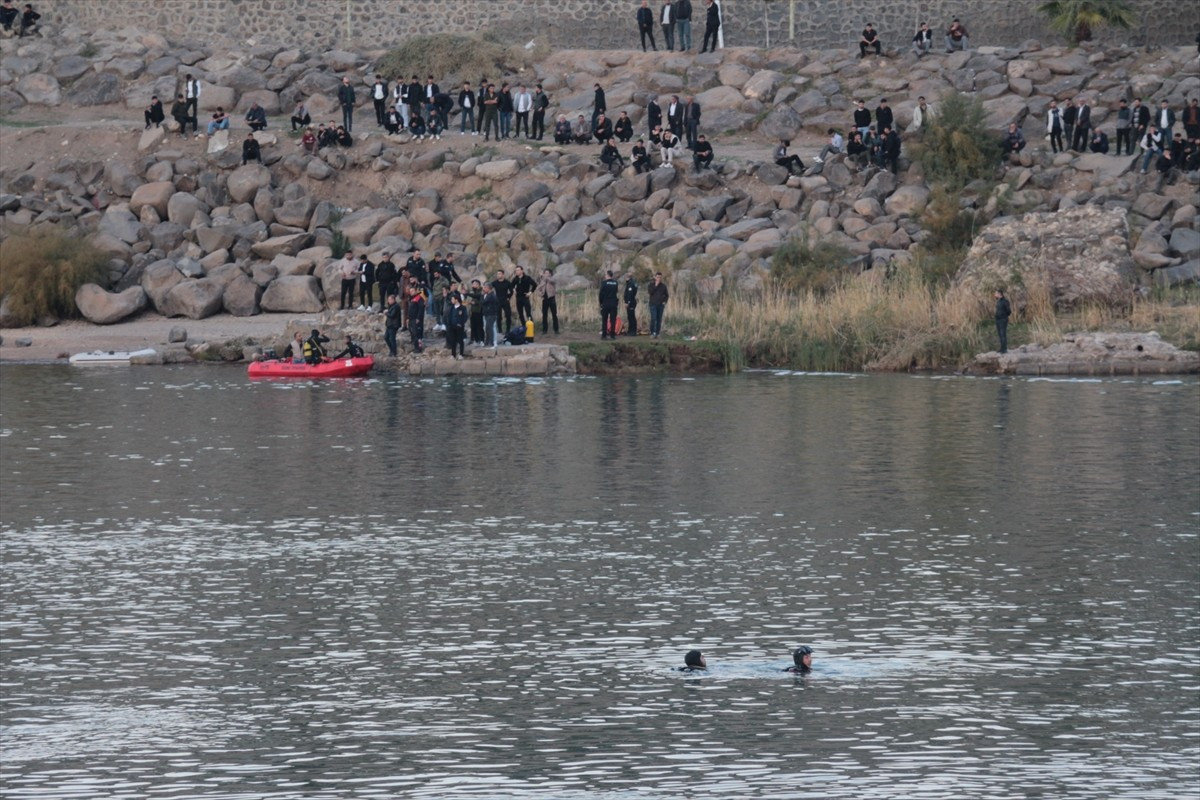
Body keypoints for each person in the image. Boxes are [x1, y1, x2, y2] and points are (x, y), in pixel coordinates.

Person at [445, 294, 468, 359]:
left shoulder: (463, 308)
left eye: (452, 299)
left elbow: (465, 317)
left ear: (456, 299)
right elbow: (449, 316)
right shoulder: (451, 308)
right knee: (453, 341)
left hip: (459, 327)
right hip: (452, 327)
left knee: (460, 340)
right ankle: (453, 354)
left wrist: (461, 323)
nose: (451, 300)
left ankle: (461, 354)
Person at [537, 269, 559, 335]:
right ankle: (544, 330)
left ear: (550, 274)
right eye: (545, 273)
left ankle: (556, 330)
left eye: (547, 273)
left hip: (551, 298)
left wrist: (543, 276)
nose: (545, 274)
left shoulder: (552, 279)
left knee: (554, 314)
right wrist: (541, 293)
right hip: (545, 299)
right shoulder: (542, 280)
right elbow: (539, 287)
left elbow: (552, 281)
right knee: (544, 315)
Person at [599, 270, 619, 339]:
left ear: (607, 275)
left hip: (605, 303)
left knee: (604, 320)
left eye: (605, 275)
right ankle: (612, 335)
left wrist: (601, 303)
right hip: (613, 303)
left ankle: (604, 335)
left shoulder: (604, 283)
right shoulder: (615, 283)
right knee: (613, 320)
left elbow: (601, 294)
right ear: (612, 275)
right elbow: (616, 292)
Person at [648, 271, 668, 337]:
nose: (658, 279)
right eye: (657, 277)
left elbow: (666, 295)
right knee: (653, 318)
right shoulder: (651, 285)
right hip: (653, 304)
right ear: (655, 277)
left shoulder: (663, 286)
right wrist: (656, 285)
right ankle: (652, 332)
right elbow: (650, 292)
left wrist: (664, 301)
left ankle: (657, 332)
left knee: (659, 319)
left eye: (660, 277)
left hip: (660, 305)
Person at [407, 281, 426, 353]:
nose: (411, 292)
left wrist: (418, 318)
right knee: (413, 333)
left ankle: (419, 348)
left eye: (412, 291)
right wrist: (408, 318)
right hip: (411, 319)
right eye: (410, 291)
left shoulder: (419, 298)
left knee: (417, 334)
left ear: (415, 291)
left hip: (416, 319)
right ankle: (415, 347)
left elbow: (421, 309)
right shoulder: (411, 298)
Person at [466, 280, 485, 345]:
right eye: (473, 284)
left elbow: (478, 297)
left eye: (475, 284)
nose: (473, 285)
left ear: (478, 285)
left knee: (479, 326)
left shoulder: (482, 291)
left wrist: (475, 302)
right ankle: (474, 339)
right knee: (473, 326)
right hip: (473, 311)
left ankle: (481, 340)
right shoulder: (472, 291)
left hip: (479, 311)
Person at [481, 282, 499, 346]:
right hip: (487, 314)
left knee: (490, 328)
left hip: (491, 314)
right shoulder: (488, 295)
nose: (484, 289)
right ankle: (487, 342)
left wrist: (482, 295)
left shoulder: (491, 295)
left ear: (489, 288)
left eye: (485, 287)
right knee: (487, 328)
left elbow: (483, 302)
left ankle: (491, 342)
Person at [994, 289, 1011, 354]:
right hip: (998, 320)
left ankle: (1004, 349)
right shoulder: (998, 301)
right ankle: (1002, 348)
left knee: (1003, 334)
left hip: (1003, 320)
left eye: (996, 294)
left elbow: (1009, 311)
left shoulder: (1005, 301)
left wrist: (1003, 316)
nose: (995, 295)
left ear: (999, 294)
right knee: (1000, 334)